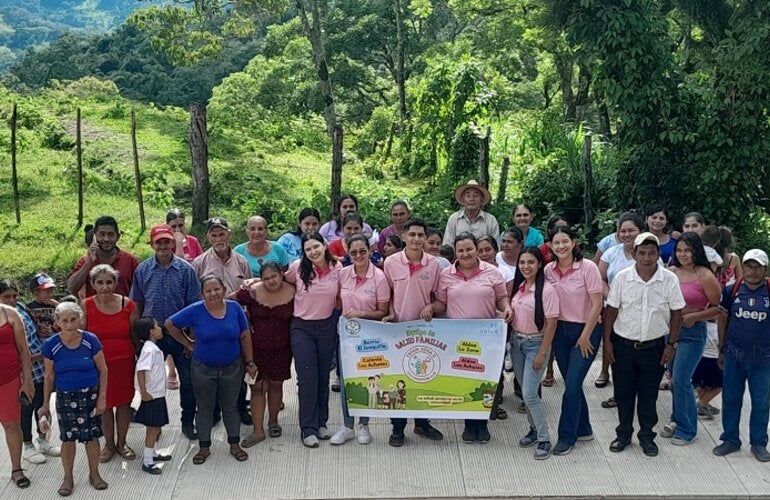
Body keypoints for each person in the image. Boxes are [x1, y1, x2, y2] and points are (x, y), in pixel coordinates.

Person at [603, 232, 685, 457]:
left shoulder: (669, 279)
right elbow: (611, 311)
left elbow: (677, 313)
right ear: (634, 254)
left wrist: (672, 344)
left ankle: (647, 436)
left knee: (649, 395)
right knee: (623, 393)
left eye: (651, 253)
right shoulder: (622, 277)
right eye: (642, 253)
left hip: (655, 347)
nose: (647, 258)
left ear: (658, 254)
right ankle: (623, 434)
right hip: (623, 346)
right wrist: (607, 344)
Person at [165, 275, 256, 464]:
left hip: (232, 368)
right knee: (205, 408)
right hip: (203, 369)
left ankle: (234, 444)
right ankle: (204, 447)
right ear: (202, 294)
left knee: (230, 407)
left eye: (217, 289)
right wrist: (188, 343)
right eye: (208, 291)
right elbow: (170, 324)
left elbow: (245, 335)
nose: (213, 293)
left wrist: (249, 362)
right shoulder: (195, 310)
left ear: (223, 289)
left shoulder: (234, 308)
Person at [431, 232, 512, 443]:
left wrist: (507, 308)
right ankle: (469, 423)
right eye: (461, 250)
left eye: (469, 249)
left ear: (476, 249)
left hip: (486, 337)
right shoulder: (446, 274)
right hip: (458, 338)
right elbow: (442, 303)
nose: (465, 253)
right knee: (465, 380)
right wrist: (430, 308)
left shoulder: (492, 272)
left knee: (487, 380)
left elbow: (501, 298)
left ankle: (482, 423)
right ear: (455, 252)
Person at [130, 223, 201, 440]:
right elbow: (137, 304)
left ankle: (187, 421)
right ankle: (154, 423)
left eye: (166, 241)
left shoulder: (186, 270)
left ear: (173, 243)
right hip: (153, 334)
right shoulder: (142, 270)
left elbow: (194, 304)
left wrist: (192, 338)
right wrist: (138, 338)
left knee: (188, 381)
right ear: (152, 244)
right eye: (158, 241)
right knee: (152, 381)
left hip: (179, 332)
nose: (162, 245)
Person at [383, 218, 444, 447]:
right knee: (398, 381)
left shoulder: (434, 264)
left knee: (422, 377)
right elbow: (386, 293)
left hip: (424, 332)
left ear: (425, 238)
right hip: (397, 331)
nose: (416, 239)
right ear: (405, 237)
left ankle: (422, 423)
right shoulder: (390, 263)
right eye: (412, 235)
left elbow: (441, 299)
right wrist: (390, 313)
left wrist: (431, 307)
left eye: (421, 235)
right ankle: (397, 428)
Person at [545, 227, 603, 455]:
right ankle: (584, 428)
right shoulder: (549, 270)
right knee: (573, 383)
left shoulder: (588, 267)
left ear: (574, 242)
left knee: (570, 386)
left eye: (565, 241)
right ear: (550, 245)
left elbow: (597, 304)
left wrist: (585, 335)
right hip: (561, 331)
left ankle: (566, 436)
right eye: (556, 242)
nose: (561, 246)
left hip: (585, 331)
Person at [40, 302, 109, 496]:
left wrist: (102, 398)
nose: (69, 324)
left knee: (92, 436)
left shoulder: (90, 340)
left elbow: (103, 369)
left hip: (90, 395)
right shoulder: (51, 345)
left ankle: (94, 474)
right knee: (67, 438)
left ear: (80, 319)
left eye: (73, 319)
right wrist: (45, 405)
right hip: (65, 397)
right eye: (65, 320)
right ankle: (68, 477)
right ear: (57, 322)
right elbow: (49, 376)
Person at [660, 233, 720, 445]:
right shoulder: (671, 272)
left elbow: (718, 309)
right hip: (671, 331)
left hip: (693, 334)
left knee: (682, 379)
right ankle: (677, 419)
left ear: (696, 251)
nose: (683, 254)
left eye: (687, 250)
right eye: (679, 250)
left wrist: (694, 316)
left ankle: (688, 429)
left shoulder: (705, 275)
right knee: (675, 380)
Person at [284, 233, 343, 448]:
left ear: (324, 245)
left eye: (316, 246)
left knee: (322, 377)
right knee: (307, 378)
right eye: (308, 249)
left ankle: (321, 423)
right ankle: (307, 428)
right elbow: (279, 282)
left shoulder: (338, 268)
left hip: (327, 326)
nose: (313, 252)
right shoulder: (298, 268)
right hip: (302, 327)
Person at [331, 235, 391, 445]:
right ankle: (347, 426)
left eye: (362, 251)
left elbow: (382, 311)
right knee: (348, 382)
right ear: (348, 252)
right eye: (354, 252)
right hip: (346, 337)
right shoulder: (343, 274)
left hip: (370, 338)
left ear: (370, 251)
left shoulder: (380, 277)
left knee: (368, 380)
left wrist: (361, 314)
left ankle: (364, 424)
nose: (358, 256)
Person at [713, 249, 770, 462]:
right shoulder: (732, 290)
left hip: (763, 359)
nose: (753, 271)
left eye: (758, 267)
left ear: (765, 269)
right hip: (734, 356)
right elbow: (722, 320)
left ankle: (758, 443)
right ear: (742, 267)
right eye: (749, 266)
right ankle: (730, 439)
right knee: (730, 399)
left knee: (761, 402)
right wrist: (721, 349)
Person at [0, 280, 60, 465]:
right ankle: (27, 445)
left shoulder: (22, 309)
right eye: (6, 296)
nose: (11, 300)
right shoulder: (6, 314)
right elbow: (18, 347)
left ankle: (43, 439)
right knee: (25, 408)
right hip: (24, 368)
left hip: (40, 367)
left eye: (14, 296)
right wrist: (34, 357)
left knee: (42, 403)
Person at [235, 262, 295, 446]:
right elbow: (228, 301)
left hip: (282, 349)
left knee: (276, 386)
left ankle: (273, 421)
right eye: (266, 278)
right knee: (257, 388)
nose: (271, 281)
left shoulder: (295, 291)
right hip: (255, 349)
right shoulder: (251, 292)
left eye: (274, 276)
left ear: (281, 274)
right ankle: (258, 430)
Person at [83, 265, 138, 463]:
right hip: (98, 365)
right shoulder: (86, 306)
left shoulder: (128, 304)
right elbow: (81, 338)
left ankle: (122, 443)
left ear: (116, 283)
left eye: (109, 282)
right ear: (93, 284)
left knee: (124, 403)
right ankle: (109, 444)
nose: (105, 286)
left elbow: (135, 335)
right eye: (100, 282)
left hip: (124, 362)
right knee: (104, 404)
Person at [510, 247, 559, 460]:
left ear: (539, 264)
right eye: (522, 262)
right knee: (525, 391)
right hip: (517, 343)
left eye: (531, 262)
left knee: (530, 393)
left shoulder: (547, 290)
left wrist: (542, 353)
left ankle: (544, 438)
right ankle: (532, 429)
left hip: (535, 344)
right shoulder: (519, 287)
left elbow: (551, 324)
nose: (526, 266)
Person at [595, 211, 646, 393]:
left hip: (640, 309)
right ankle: (606, 373)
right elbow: (599, 278)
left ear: (641, 231)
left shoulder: (648, 253)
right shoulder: (611, 253)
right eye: (622, 231)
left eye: (631, 230)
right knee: (610, 341)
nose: (626, 234)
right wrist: (611, 297)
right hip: (612, 307)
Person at [0, 301, 35, 489]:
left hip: (9, 380)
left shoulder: (9, 314)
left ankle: (16, 469)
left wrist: (27, 380)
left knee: (12, 425)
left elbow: (24, 350)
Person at [132, 318, 172, 475]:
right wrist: (144, 392)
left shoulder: (151, 347)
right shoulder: (149, 350)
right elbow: (141, 370)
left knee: (155, 426)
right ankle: (148, 461)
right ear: (151, 331)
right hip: (152, 395)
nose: (160, 328)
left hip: (157, 393)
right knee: (153, 427)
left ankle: (152, 453)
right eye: (157, 326)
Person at [67, 215, 139, 297]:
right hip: (93, 309)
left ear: (118, 236)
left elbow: (141, 292)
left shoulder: (130, 261)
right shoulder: (85, 261)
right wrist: (88, 263)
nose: (106, 239)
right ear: (94, 236)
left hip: (124, 308)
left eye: (110, 234)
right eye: (102, 234)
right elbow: (71, 288)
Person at [194, 217, 253, 293]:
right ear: (208, 238)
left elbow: (250, 290)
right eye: (214, 236)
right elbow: (194, 293)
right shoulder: (199, 263)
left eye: (222, 234)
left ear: (229, 235)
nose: (218, 239)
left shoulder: (242, 262)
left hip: (237, 304)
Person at [443, 180, 499, 245]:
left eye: (476, 196)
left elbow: (495, 248)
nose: (471, 199)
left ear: (482, 199)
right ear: (463, 199)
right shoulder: (454, 218)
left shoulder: (491, 220)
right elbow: (447, 245)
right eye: (468, 196)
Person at [26, 272, 59, 339]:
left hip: (54, 336)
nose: (50, 294)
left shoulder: (54, 305)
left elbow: (64, 314)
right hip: (38, 339)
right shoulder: (29, 307)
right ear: (36, 292)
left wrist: (57, 305)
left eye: (52, 291)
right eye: (47, 292)